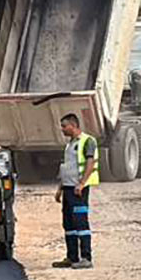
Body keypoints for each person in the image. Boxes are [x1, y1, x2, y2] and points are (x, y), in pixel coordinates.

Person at [53, 113, 99, 269]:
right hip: (68, 188)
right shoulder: (69, 144)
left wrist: (82, 183)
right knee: (68, 223)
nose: (62, 129)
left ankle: (86, 257)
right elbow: (66, 167)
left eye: (64, 126)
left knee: (80, 222)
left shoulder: (87, 141)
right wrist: (60, 189)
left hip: (79, 189)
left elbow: (90, 163)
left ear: (73, 125)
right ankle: (72, 257)